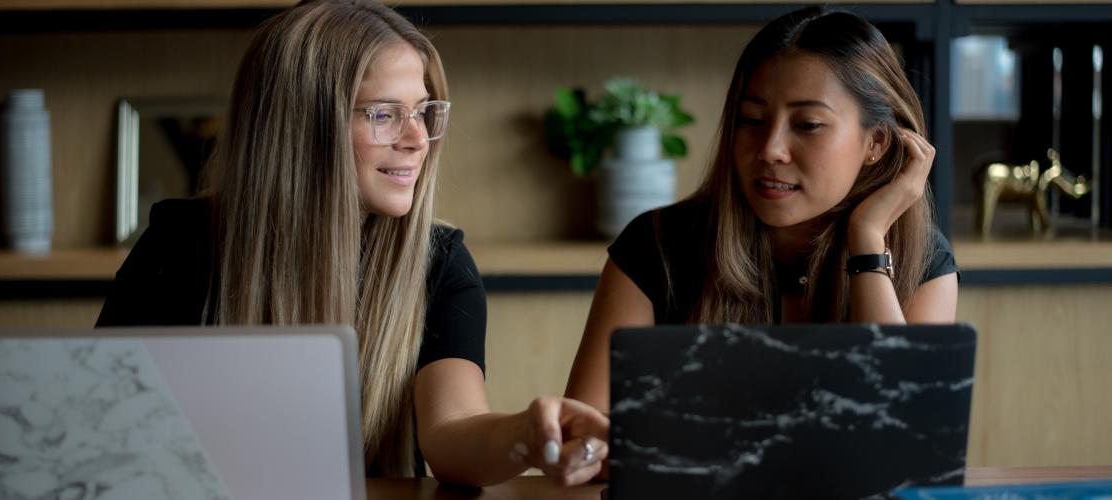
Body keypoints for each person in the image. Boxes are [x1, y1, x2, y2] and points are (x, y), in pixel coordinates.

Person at [96, 0, 606, 487]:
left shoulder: (440, 261)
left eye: (424, 111)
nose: (417, 138)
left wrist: (523, 435)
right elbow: (102, 422)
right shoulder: (180, 242)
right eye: (383, 114)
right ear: (300, 126)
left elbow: (453, 433)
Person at [566, 6, 959, 414]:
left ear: (876, 142)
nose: (770, 149)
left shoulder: (923, 258)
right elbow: (584, 435)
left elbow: (905, 433)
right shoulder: (658, 245)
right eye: (752, 119)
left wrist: (867, 242)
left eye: (807, 125)